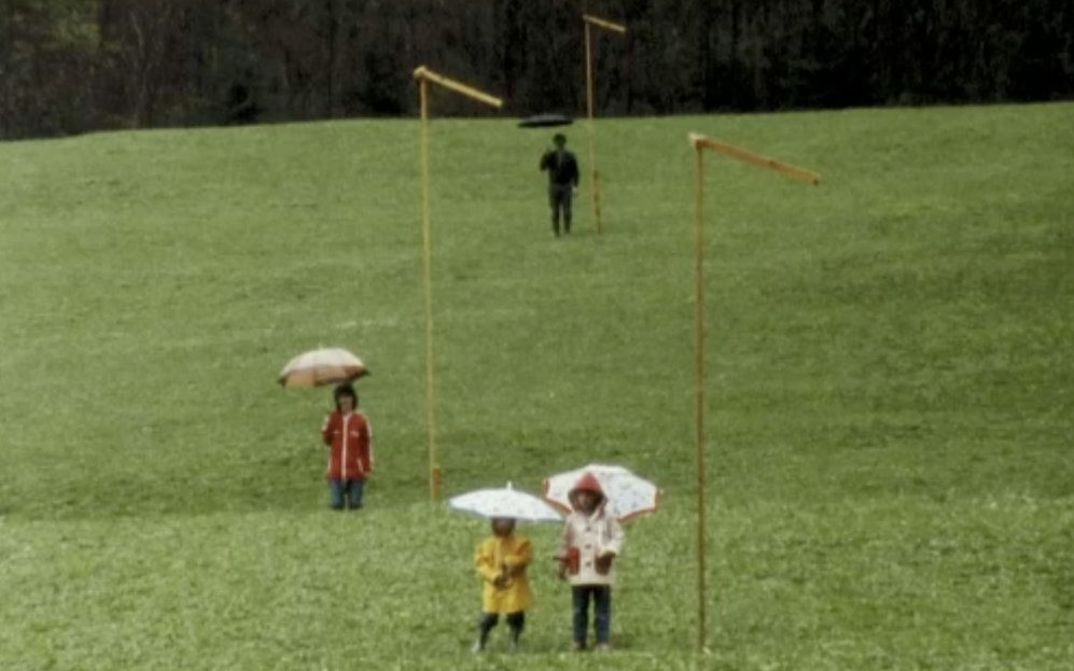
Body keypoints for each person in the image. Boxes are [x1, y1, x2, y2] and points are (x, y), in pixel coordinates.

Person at [556, 472, 624, 652]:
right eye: (581, 495)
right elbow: (566, 542)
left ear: (597, 498)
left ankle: (603, 641)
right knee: (579, 609)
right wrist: (562, 564)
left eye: (589, 495)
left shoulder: (607, 519)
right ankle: (579, 640)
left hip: (601, 571)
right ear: (575, 497)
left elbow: (618, 536)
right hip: (579, 572)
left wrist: (610, 550)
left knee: (602, 609)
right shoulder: (571, 519)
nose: (585, 499)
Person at [472, 517, 533, 653]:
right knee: (488, 616)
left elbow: (527, 557)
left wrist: (512, 562)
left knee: (515, 616)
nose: (503, 524)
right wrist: (494, 575)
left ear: (513, 523)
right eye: (500, 521)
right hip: (494, 587)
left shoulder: (522, 542)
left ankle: (514, 640)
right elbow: (481, 564)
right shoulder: (486, 544)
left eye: (507, 521)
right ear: (493, 523)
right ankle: (481, 639)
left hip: (514, 586)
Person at [319, 383, 373, 510]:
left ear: (353, 399)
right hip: (336, 471)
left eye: (347, 397)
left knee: (355, 505)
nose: (344, 400)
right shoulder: (333, 418)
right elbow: (327, 440)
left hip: (356, 471)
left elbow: (367, 446)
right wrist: (327, 424)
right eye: (341, 397)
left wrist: (367, 468)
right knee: (336, 505)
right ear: (337, 400)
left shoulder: (361, 420)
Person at [539, 133, 580, 237]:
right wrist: (545, 155)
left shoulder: (570, 156)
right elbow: (542, 167)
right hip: (554, 186)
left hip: (566, 186)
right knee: (555, 211)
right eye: (557, 143)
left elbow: (575, 172)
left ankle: (567, 231)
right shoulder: (551, 156)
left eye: (561, 143)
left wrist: (575, 186)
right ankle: (555, 231)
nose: (559, 145)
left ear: (564, 144)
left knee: (567, 210)